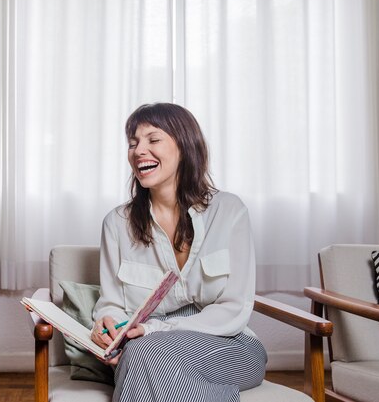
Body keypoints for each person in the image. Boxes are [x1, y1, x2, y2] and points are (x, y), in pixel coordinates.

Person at [89, 103, 267, 401]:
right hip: (140, 347)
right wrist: (105, 324)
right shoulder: (116, 224)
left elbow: (235, 307)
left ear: (184, 146)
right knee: (144, 354)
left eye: (152, 140)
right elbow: (110, 304)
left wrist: (156, 329)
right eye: (133, 143)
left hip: (229, 342)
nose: (138, 151)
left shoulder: (229, 211)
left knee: (144, 352)